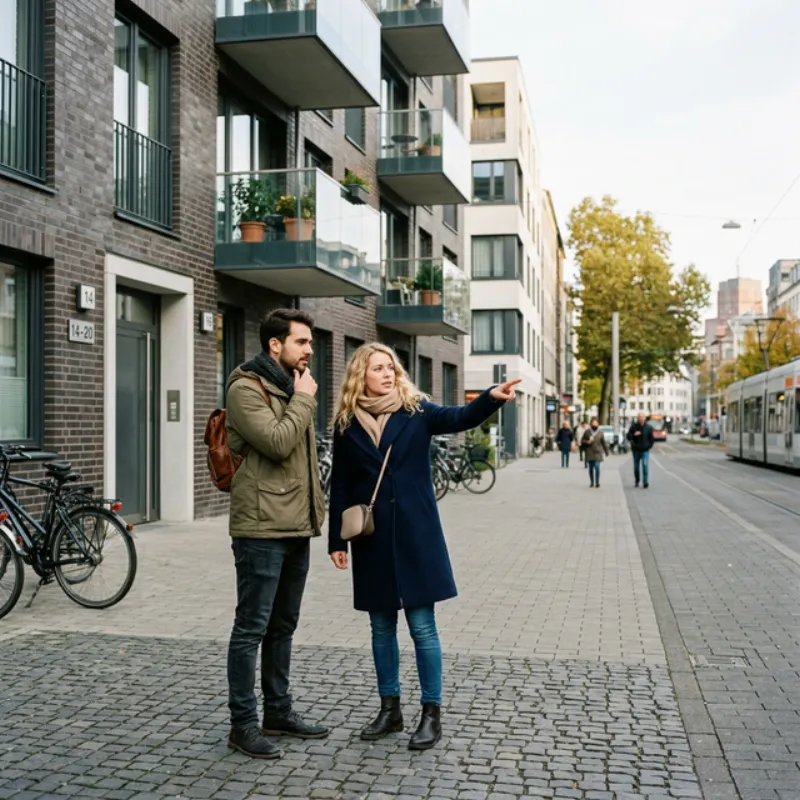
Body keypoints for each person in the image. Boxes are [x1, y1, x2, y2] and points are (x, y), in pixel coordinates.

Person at [328, 343, 520, 751]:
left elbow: (459, 416)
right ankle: (390, 709)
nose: (388, 374)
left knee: (422, 627)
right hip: (372, 539)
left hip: (416, 535)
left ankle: (431, 714)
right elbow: (340, 485)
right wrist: (336, 540)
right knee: (381, 627)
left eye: (391, 367)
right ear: (361, 375)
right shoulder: (346, 424)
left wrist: (490, 398)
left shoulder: (417, 411)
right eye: (378, 368)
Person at [224, 308, 329, 759]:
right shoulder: (245, 389)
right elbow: (278, 442)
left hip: (295, 525)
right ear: (275, 344)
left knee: (283, 625)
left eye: (310, 343)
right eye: (302, 342)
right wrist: (304, 399)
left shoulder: (289, 386)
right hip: (260, 528)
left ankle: (278, 712)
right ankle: (243, 725)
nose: (309, 350)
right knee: (251, 627)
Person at [627, 412, 655, 488]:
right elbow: (628, 436)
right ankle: (637, 480)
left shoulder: (649, 427)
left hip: (645, 450)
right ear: (637, 418)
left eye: (642, 417)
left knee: (645, 465)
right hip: (636, 450)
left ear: (644, 418)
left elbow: (652, 439)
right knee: (636, 467)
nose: (640, 418)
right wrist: (634, 435)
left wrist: (649, 446)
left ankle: (645, 482)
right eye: (639, 417)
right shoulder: (633, 426)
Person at [581, 417, 610, 488]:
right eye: (593, 423)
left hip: (598, 452)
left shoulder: (600, 433)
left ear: (598, 424)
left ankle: (597, 482)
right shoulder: (587, 432)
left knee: (597, 467)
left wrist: (606, 451)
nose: (594, 424)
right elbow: (582, 440)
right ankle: (592, 482)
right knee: (591, 468)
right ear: (591, 424)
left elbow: (603, 443)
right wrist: (588, 441)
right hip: (590, 452)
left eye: (596, 423)